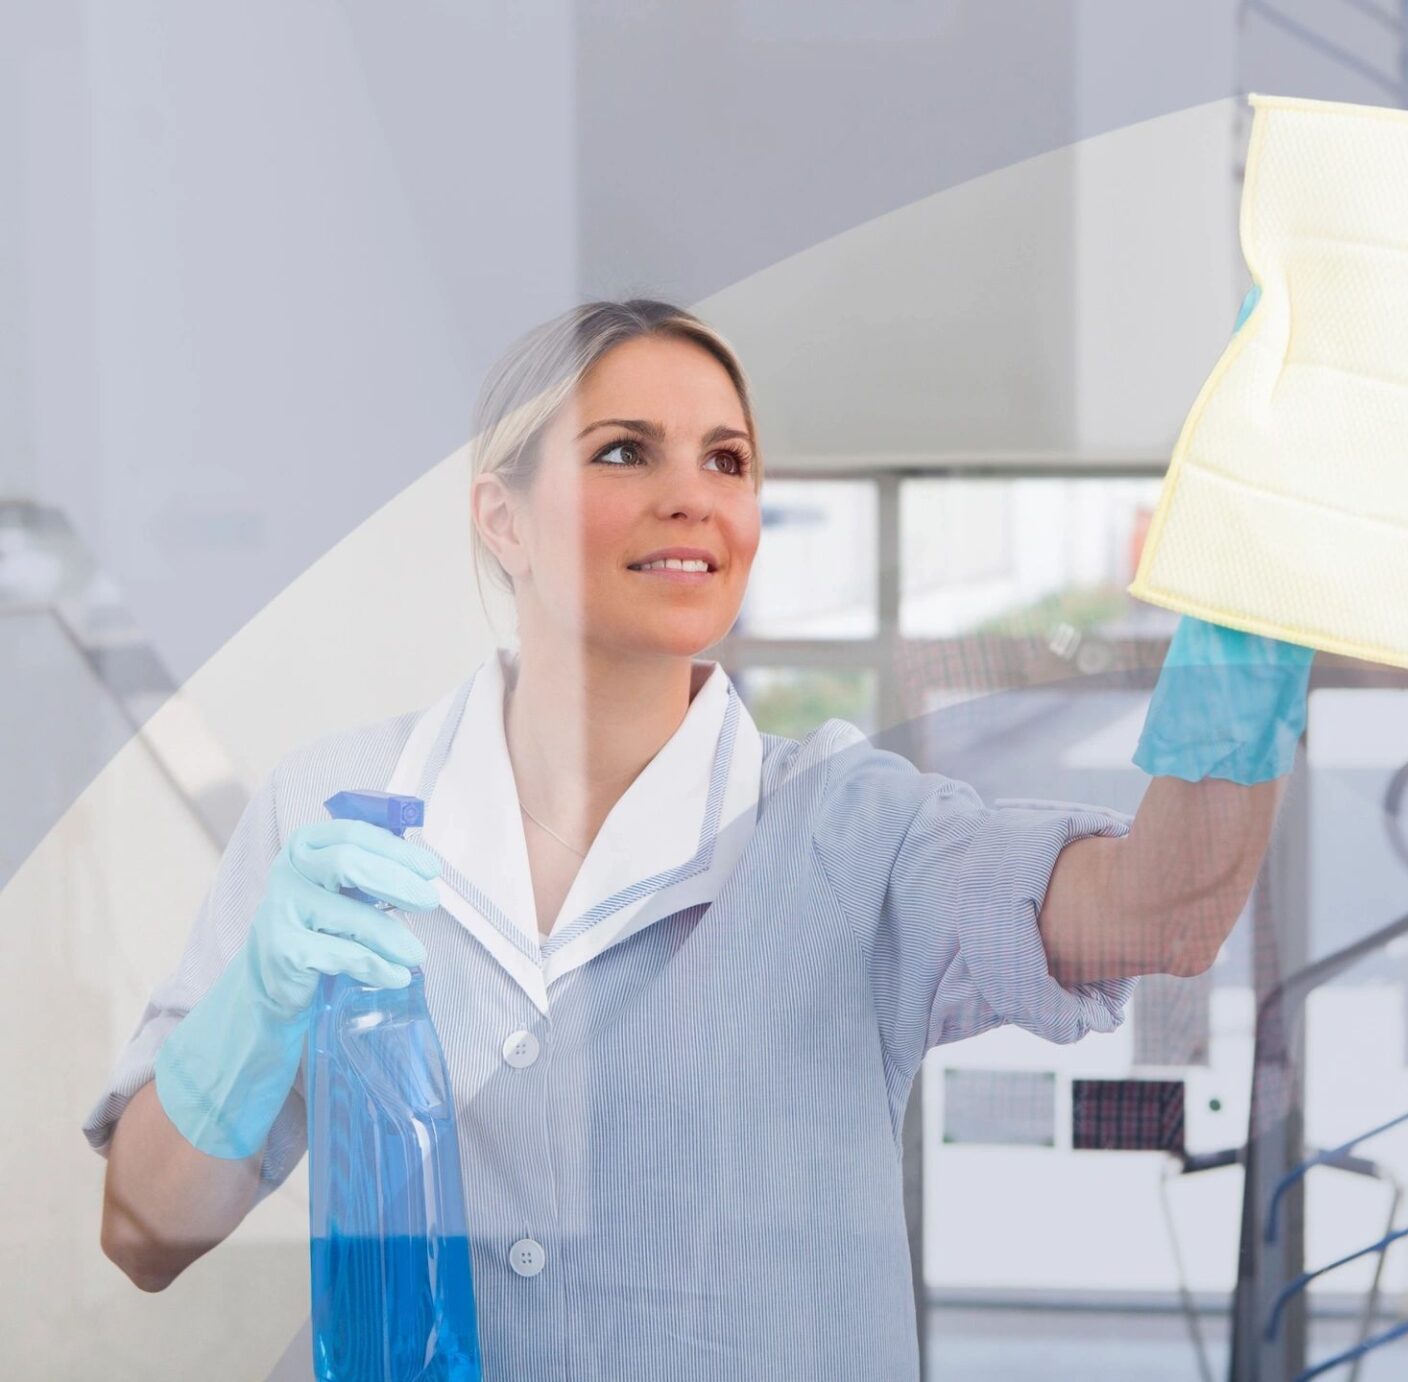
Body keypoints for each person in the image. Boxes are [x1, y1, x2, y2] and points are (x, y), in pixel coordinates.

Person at [83, 298, 1312, 1377]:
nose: (693, 493)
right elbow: (145, 1235)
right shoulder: (336, 814)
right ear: (501, 520)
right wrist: (256, 1002)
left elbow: (1166, 907)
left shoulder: (850, 829)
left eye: (727, 460)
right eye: (626, 450)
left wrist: (1265, 583)